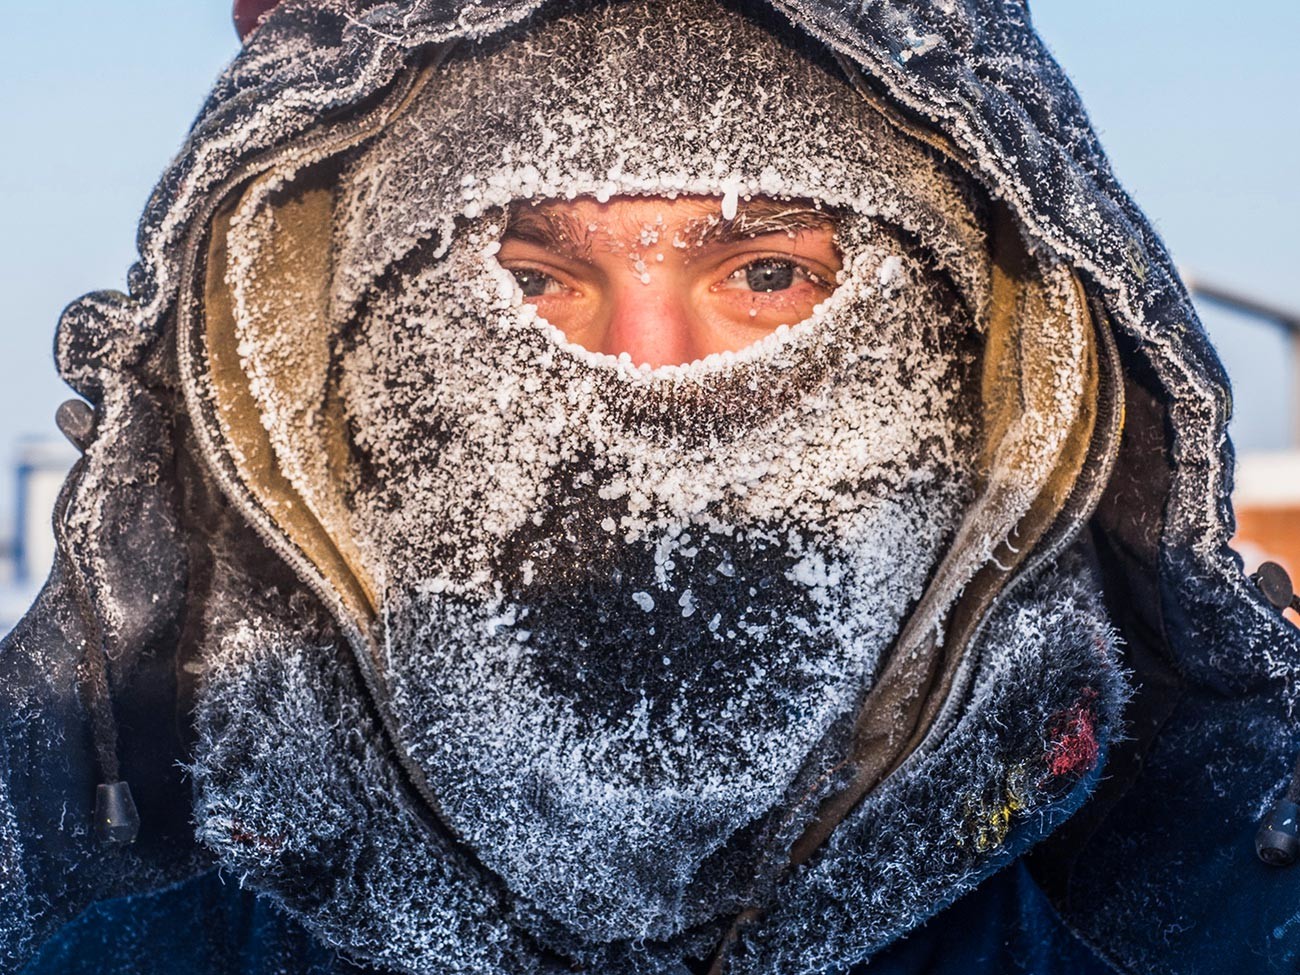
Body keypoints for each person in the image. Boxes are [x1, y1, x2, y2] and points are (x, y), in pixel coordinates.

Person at [3, 1, 1298, 974]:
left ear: (984, 347)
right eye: (529, 281)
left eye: (769, 275)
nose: (644, 379)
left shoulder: (1220, 898)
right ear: (327, 355)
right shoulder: (99, 904)